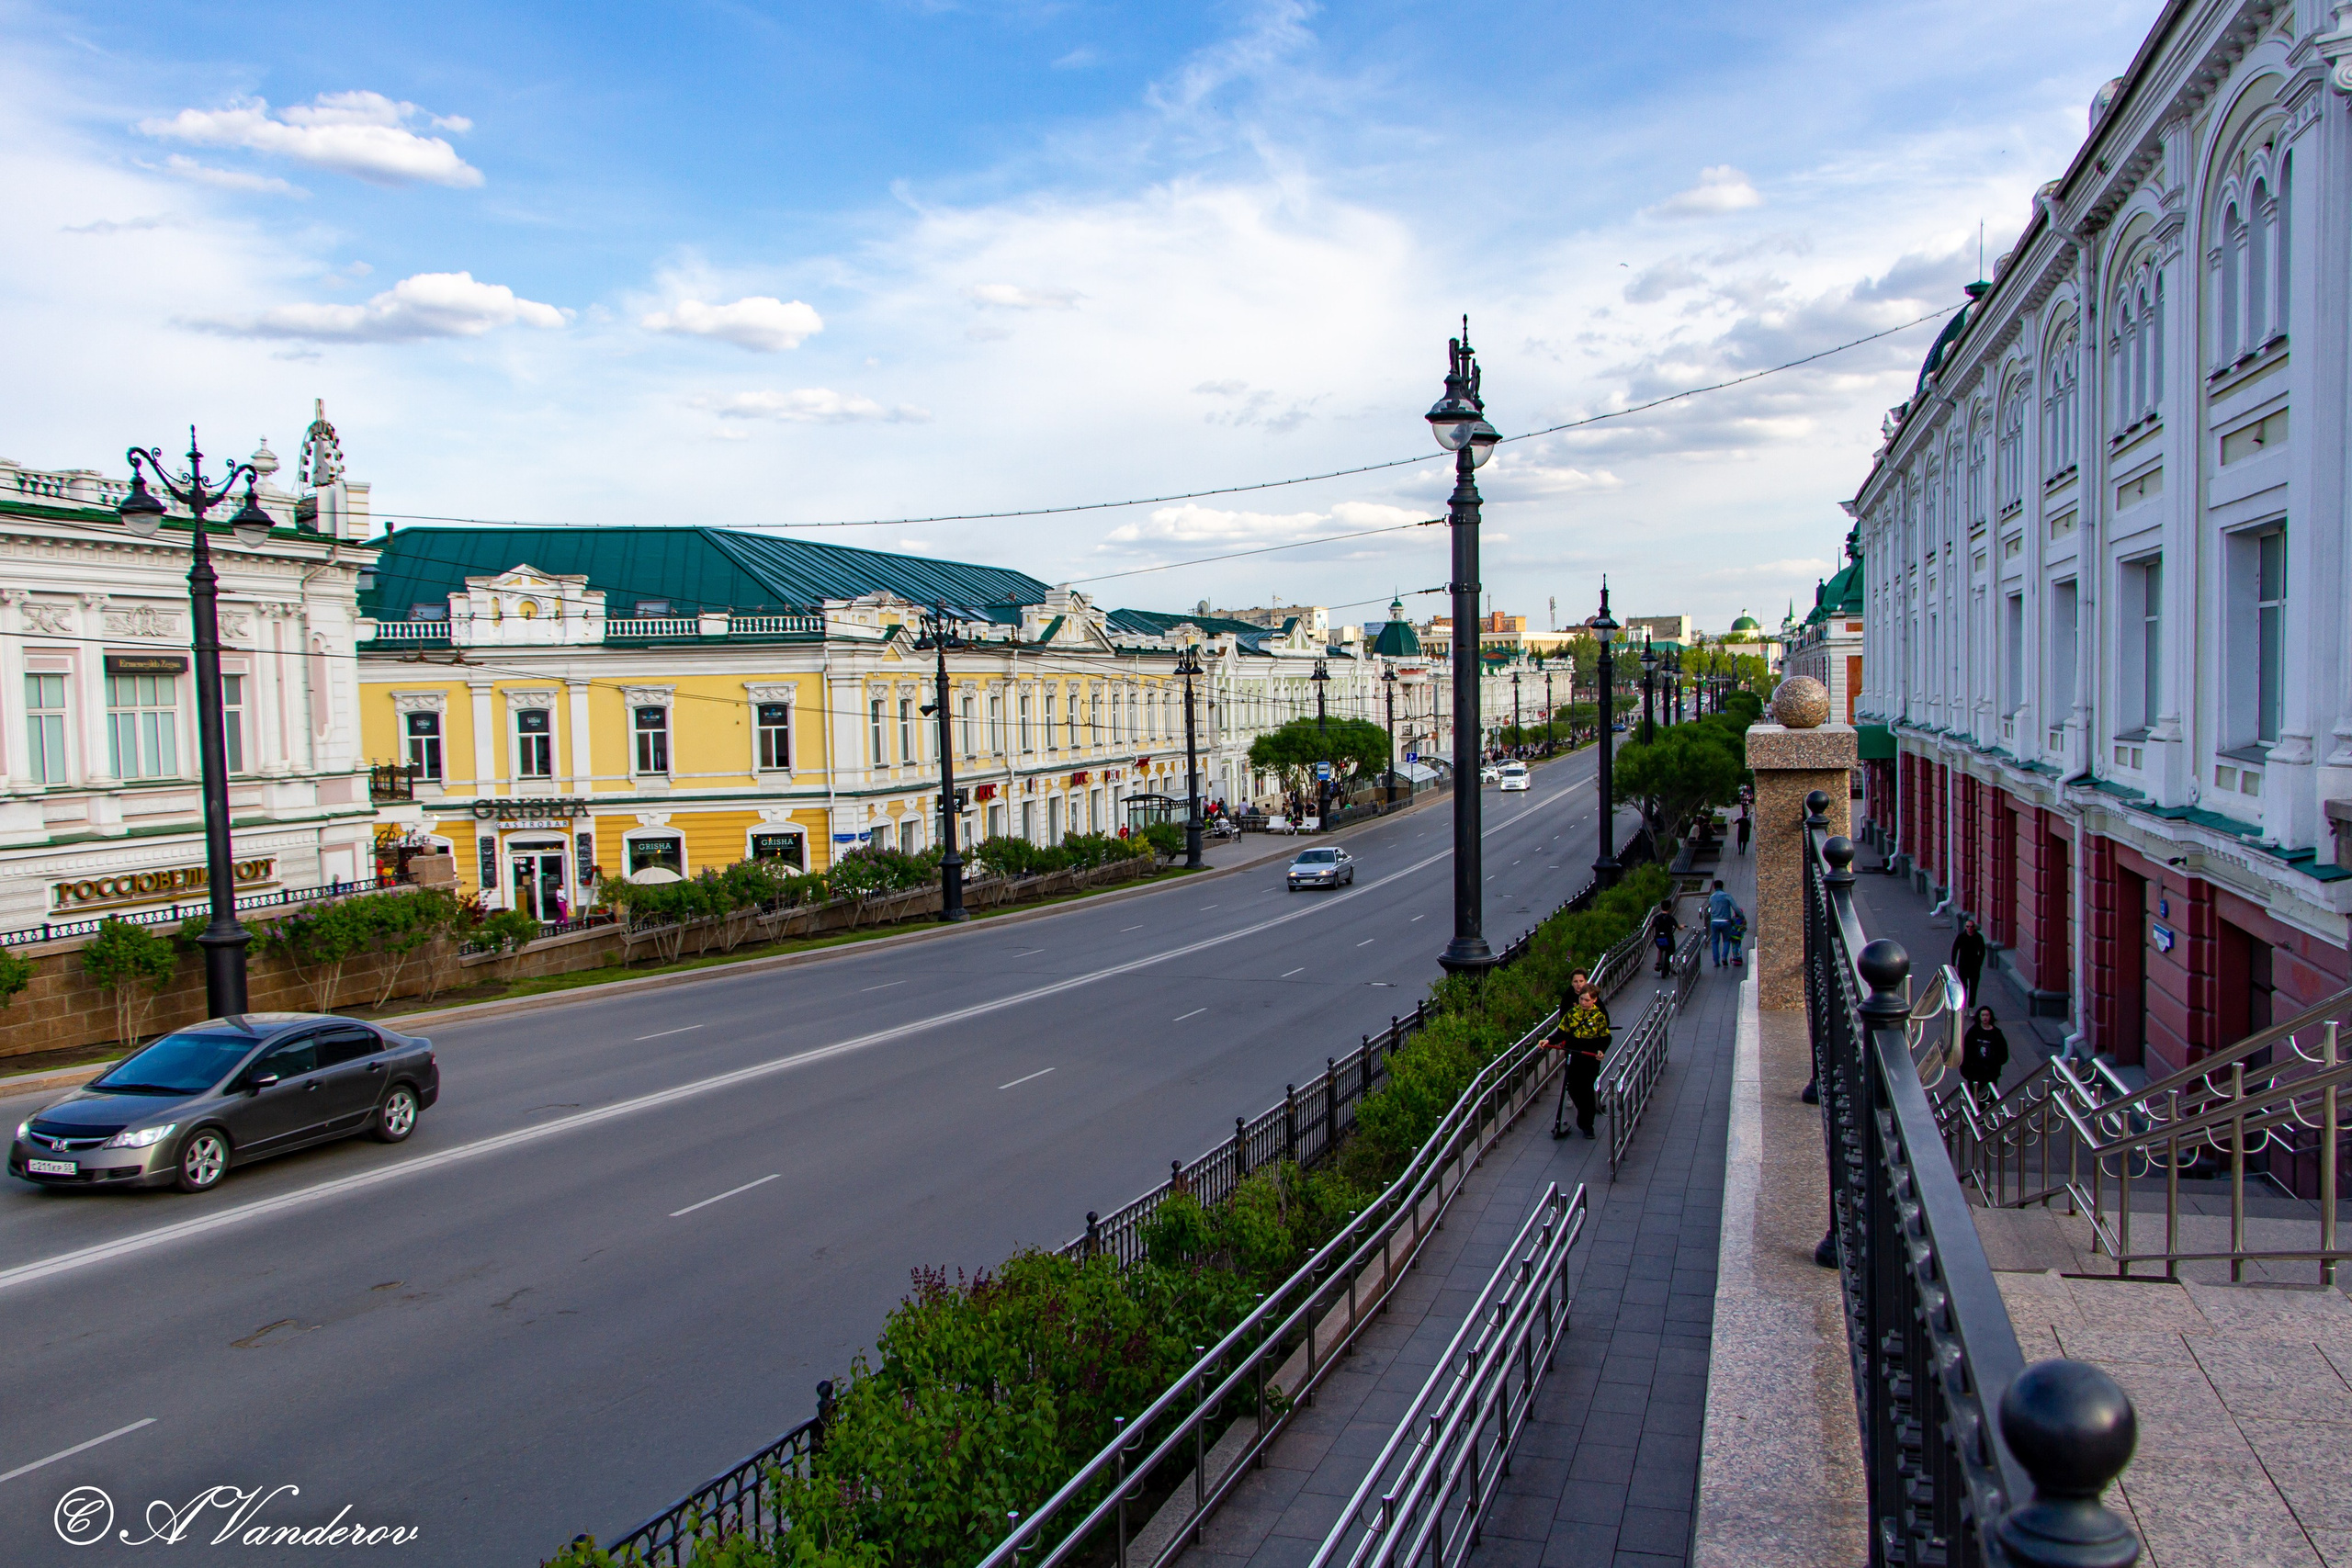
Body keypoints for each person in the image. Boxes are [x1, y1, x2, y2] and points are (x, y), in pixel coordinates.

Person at [1549, 971, 1613, 1140]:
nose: (1583, 1003)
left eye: (1587, 1000)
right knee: (1573, 1087)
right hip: (1575, 1055)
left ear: (1594, 1000)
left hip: (1590, 1057)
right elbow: (1561, 1032)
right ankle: (1583, 1114)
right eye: (1581, 999)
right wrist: (1547, 1040)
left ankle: (1587, 1125)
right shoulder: (1572, 1014)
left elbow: (1606, 1037)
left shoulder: (1599, 1017)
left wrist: (1601, 1050)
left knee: (1586, 1089)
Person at [1960, 1006, 2009, 1096]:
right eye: (1983, 1015)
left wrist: (1995, 1064)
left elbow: (2003, 1053)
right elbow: (1966, 1051)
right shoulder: (1973, 1032)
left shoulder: (1996, 1033)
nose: (1985, 1017)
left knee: (1989, 1096)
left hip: (1990, 1073)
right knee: (1974, 1095)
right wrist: (1965, 1068)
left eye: (1987, 1015)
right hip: (1975, 1072)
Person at [1951, 919, 1988, 1009]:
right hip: (1963, 966)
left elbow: (1982, 952)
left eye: (1971, 926)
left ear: (1974, 927)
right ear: (1965, 927)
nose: (1969, 928)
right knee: (1963, 987)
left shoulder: (1978, 937)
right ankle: (1963, 1005)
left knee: (1973, 988)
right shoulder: (1961, 937)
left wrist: (1979, 963)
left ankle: (1971, 1006)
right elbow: (1954, 949)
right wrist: (1953, 964)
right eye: (1967, 926)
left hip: (1974, 967)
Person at [1706, 879, 1739, 967]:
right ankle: (1724, 957)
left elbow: (1709, 907)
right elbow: (1735, 908)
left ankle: (1716, 961)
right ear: (1722, 886)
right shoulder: (1727, 896)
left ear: (1714, 887)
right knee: (1726, 940)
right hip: (1726, 922)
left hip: (1714, 922)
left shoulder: (1712, 897)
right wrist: (1741, 916)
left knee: (1715, 942)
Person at [1649, 898, 1679, 976]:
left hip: (1658, 938)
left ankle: (1658, 962)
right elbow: (1678, 926)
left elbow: (1651, 925)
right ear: (1670, 908)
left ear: (1661, 907)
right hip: (1668, 938)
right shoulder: (1670, 918)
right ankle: (1672, 966)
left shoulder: (1657, 917)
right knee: (1672, 949)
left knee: (1660, 948)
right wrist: (1681, 926)